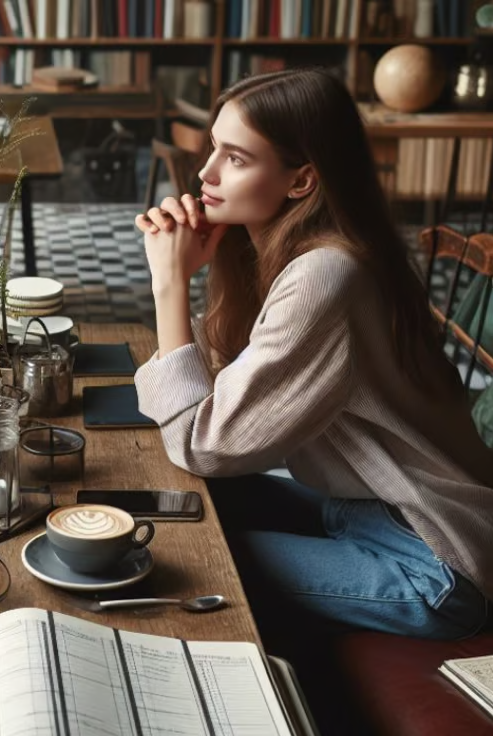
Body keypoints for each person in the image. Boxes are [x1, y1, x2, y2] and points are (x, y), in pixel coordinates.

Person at [134, 68, 492, 644]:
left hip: (434, 561)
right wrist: (195, 272)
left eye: (236, 158)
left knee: (184, 550)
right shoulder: (288, 253)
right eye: (213, 148)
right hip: (366, 507)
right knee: (161, 505)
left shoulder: (326, 275)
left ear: (301, 181)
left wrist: (169, 285)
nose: (206, 173)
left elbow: (203, 442)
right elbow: (223, 385)